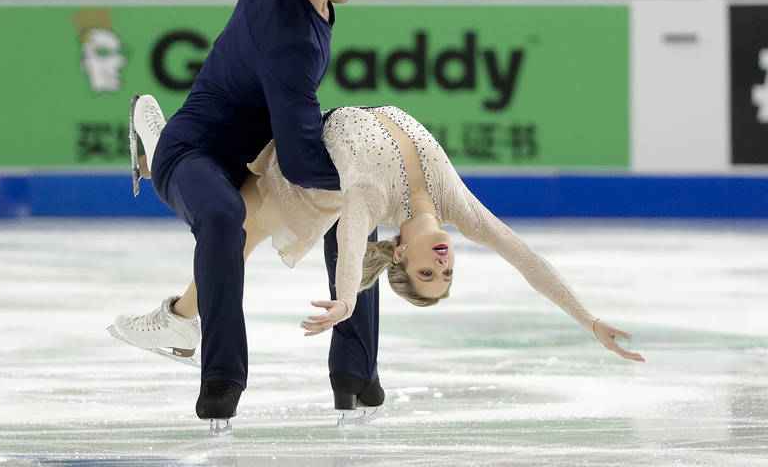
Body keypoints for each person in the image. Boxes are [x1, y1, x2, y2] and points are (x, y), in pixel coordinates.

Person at [115, 96, 644, 416]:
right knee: (233, 238)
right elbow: (525, 257)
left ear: (399, 259)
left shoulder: (370, 200)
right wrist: (589, 320)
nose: (440, 261)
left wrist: (346, 300)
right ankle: (181, 321)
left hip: (305, 183)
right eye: (447, 271)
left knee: (230, 234)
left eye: (426, 273)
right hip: (307, 138)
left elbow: (350, 247)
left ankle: (157, 146)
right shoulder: (455, 203)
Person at [117, 0, 382, 432]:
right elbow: (299, 148)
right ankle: (221, 378)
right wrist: (364, 184)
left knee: (356, 200)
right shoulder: (292, 44)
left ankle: (354, 370)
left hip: (258, 157)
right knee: (224, 215)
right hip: (197, 153)